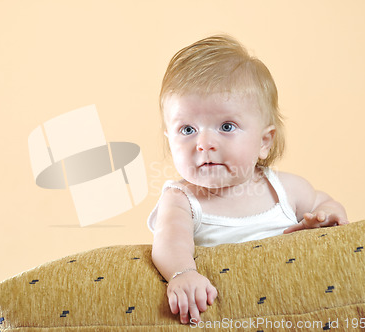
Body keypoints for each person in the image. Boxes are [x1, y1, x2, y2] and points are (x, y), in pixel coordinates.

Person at [147, 35, 348, 325]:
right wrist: (183, 273)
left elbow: (324, 202)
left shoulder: (286, 190)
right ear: (169, 139)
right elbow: (168, 242)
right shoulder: (181, 199)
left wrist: (328, 216)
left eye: (226, 126)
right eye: (187, 129)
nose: (203, 143)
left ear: (264, 142)